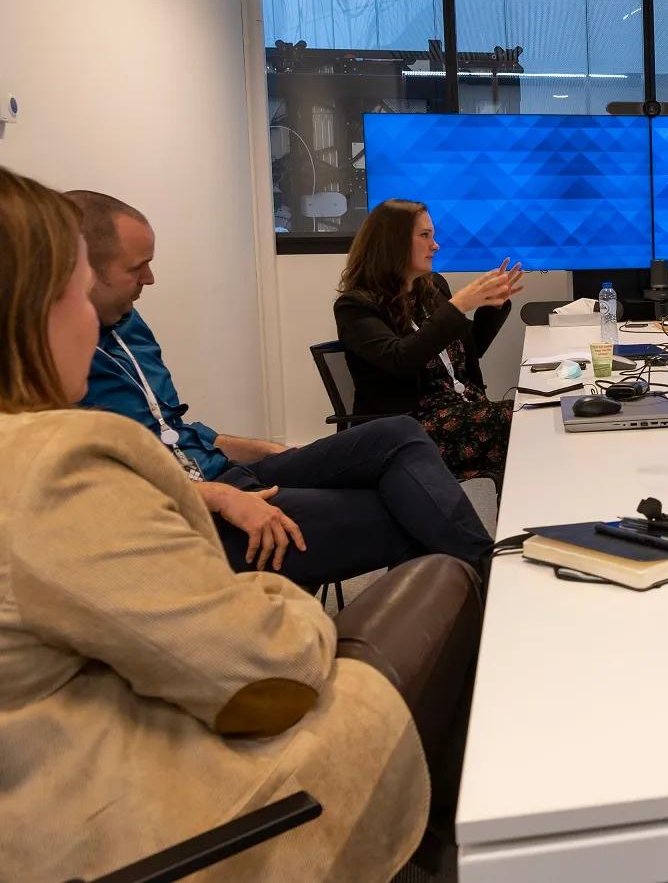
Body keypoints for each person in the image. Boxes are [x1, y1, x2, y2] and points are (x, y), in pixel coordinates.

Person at [0, 166, 429, 880]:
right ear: (30, 310)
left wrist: (263, 452)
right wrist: (289, 598)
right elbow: (262, 672)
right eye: (78, 292)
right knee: (440, 579)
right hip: (167, 816)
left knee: (401, 452)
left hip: (105, 748)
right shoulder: (53, 461)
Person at [66, 190, 493, 585]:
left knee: (398, 434)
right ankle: (488, 584)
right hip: (187, 506)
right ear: (80, 272)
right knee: (412, 512)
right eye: (135, 267)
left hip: (225, 472)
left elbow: (170, 428)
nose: (151, 279)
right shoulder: (48, 365)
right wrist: (215, 496)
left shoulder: (129, 324)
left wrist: (263, 449)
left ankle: (483, 590)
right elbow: (93, 482)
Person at [334, 199, 524, 478]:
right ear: (392, 243)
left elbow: (472, 349)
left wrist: (491, 307)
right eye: (425, 236)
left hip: (465, 410)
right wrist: (457, 307)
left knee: (534, 417)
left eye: (432, 236)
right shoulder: (356, 306)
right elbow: (399, 359)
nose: (435, 245)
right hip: (412, 428)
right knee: (524, 423)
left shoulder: (433, 287)